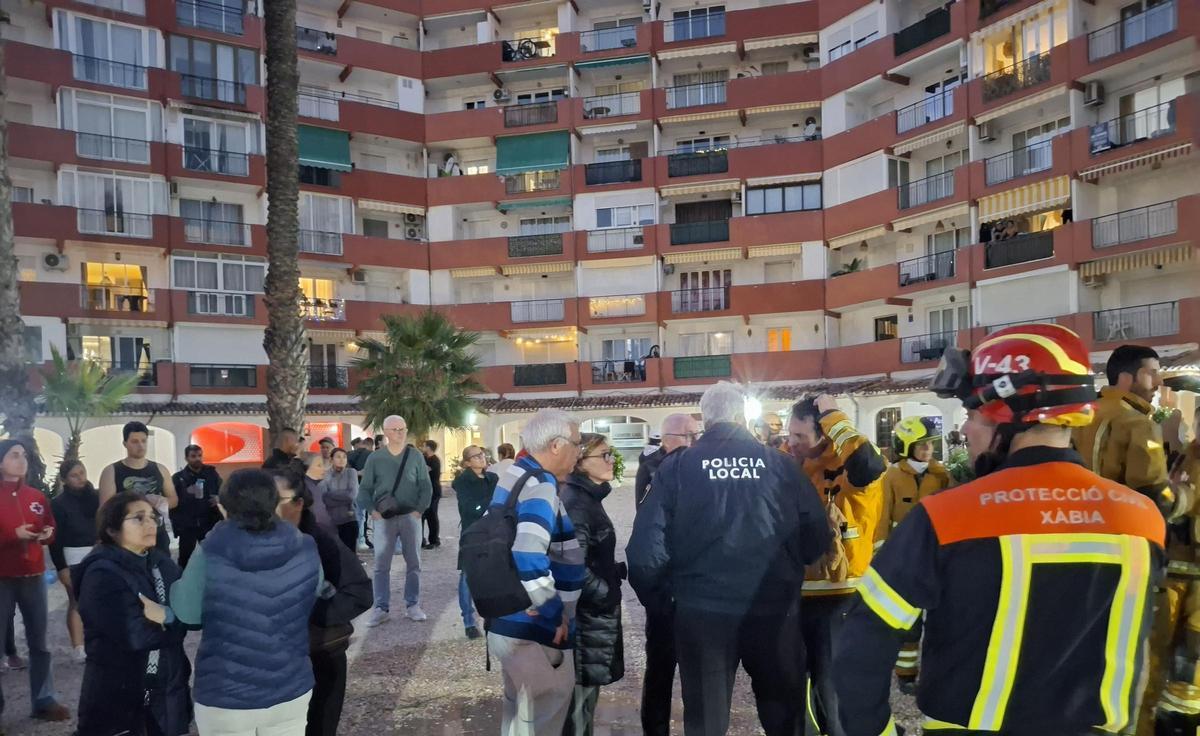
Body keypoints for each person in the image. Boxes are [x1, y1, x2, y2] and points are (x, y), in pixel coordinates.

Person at [835, 323, 1165, 736]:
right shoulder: (1142, 518)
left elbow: (860, 647)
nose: (966, 430)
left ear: (1008, 416)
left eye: (973, 414)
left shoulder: (947, 517)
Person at [628, 383, 830, 736]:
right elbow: (816, 538)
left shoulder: (677, 468)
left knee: (706, 722)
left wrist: (668, 605)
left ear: (705, 420)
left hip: (702, 616)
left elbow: (644, 554)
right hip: (774, 612)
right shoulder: (781, 465)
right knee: (785, 716)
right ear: (741, 417)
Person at [150, 468, 322, 736]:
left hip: (225, 694)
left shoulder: (210, 551)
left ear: (222, 506)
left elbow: (188, 614)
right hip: (291, 686)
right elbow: (314, 592)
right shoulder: (306, 546)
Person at [787, 395, 886, 736]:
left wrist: (833, 414)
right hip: (796, 596)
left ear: (826, 433)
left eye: (800, 437)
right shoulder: (792, 464)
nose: (792, 442)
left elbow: (869, 463)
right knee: (799, 693)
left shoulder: (851, 470)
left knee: (834, 694)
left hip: (839, 598)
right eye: (790, 435)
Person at [487, 408, 586, 736]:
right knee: (543, 715)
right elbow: (528, 552)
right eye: (576, 444)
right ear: (556, 446)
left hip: (508, 617)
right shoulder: (541, 484)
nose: (579, 452)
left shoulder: (516, 473)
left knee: (519, 716)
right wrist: (554, 612)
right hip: (534, 627)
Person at [74, 492, 191, 736]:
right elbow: (135, 636)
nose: (149, 524)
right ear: (112, 530)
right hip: (119, 696)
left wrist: (168, 617)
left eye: (152, 517)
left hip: (168, 692)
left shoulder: (162, 564)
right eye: (138, 518)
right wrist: (176, 624)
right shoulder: (101, 574)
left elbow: (192, 613)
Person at [273, 470, 372, 736]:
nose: (270, 509)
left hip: (321, 656)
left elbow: (360, 593)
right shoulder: (252, 543)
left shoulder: (321, 540)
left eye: (278, 499)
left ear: (299, 503)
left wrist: (312, 614)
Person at [633, 412, 701, 736]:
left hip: (689, 587)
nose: (696, 442)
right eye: (691, 436)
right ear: (672, 437)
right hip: (665, 586)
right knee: (660, 668)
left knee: (693, 672)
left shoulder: (690, 464)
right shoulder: (654, 468)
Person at [876, 416, 952, 693]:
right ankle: (906, 674)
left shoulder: (941, 474)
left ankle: (936, 672)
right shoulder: (892, 476)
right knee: (908, 620)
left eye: (930, 445)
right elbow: (882, 515)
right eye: (921, 445)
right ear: (905, 446)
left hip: (936, 554)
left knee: (940, 618)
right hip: (904, 556)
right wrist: (880, 552)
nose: (927, 450)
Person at [0, 440, 71, 728]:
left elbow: (49, 526)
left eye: (24, 456)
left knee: (40, 644)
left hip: (34, 576)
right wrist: (12, 536)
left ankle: (43, 700)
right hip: (2, 578)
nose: (22, 460)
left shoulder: (37, 497)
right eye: (14, 455)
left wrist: (48, 533)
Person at [561, 433, 625, 736]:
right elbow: (573, 566)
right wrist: (606, 592)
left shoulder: (588, 498)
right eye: (604, 455)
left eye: (611, 454)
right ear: (581, 463)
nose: (611, 460)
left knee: (584, 703)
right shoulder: (577, 504)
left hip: (591, 616)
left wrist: (614, 571)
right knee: (578, 707)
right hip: (586, 619)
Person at [357, 415, 433, 626]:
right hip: (384, 518)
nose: (399, 433)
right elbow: (365, 489)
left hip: (410, 516)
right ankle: (381, 607)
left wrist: (419, 510)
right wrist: (373, 511)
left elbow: (425, 485)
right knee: (381, 565)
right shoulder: (376, 458)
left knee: (414, 562)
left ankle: (413, 604)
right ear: (386, 432)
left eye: (402, 429)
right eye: (395, 429)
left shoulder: (415, 455)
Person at [48, 460, 99, 664]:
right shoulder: (58, 504)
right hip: (72, 555)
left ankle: (98, 642)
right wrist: (61, 567)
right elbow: (55, 540)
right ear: (64, 479)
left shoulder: (96, 497)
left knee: (99, 601)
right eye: (74, 475)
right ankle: (79, 647)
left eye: (82, 473)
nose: (80, 478)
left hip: (97, 552)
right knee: (76, 601)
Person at [99, 421, 178, 553]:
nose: (140, 445)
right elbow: (106, 508)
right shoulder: (111, 471)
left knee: (162, 571)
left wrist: (161, 501)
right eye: (135, 441)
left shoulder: (160, 469)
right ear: (125, 444)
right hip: (128, 537)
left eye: (143, 441)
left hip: (157, 534)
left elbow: (174, 499)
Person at [451, 445, 496, 639]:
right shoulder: (462, 481)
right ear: (467, 462)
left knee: (493, 574)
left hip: (493, 532)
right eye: (475, 456)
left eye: (482, 454)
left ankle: (492, 615)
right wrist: (489, 504)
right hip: (472, 533)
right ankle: (468, 621)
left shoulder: (492, 478)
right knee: (468, 576)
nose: (481, 458)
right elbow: (469, 508)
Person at [170, 444, 222, 570]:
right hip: (188, 524)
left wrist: (218, 499)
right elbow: (173, 501)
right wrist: (186, 493)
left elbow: (223, 491)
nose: (197, 459)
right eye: (193, 456)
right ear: (186, 458)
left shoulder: (211, 473)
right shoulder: (178, 478)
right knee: (185, 558)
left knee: (213, 555)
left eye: (199, 455)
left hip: (209, 521)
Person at [323, 448, 360, 551]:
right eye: (338, 457)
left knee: (350, 555)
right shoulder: (327, 475)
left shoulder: (351, 472)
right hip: (331, 521)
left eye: (344, 457)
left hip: (349, 520)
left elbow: (352, 495)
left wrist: (330, 495)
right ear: (331, 459)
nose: (342, 459)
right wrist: (342, 496)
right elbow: (324, 498)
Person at [421, 440, 442, 550]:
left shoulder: (434, 460)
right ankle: (421, 539)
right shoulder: (424, 458)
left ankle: (434, 540)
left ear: (429, 447)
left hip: (434, 490)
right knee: (422, 515)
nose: (422, 447)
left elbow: (425, 470)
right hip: (424, 490)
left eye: (424, 446)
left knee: (432, 515)